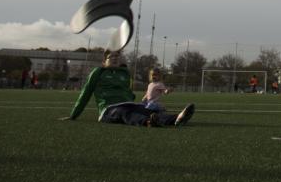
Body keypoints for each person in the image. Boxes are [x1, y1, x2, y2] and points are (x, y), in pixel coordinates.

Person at [62, 50, 194, 127]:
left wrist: (132, 98)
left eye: (117, 56)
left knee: (146, 110)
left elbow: (128, 92)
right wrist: (73, 115)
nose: (115, 58)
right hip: (109, 110)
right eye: (111, 57)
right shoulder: (98, 72)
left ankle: (177, 118)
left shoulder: (124, 74)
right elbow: (85, 93)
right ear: (104, 61)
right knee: (125, 113)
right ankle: (148, 122)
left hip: (128, 104)